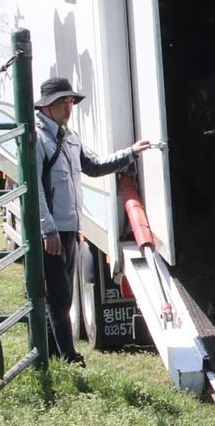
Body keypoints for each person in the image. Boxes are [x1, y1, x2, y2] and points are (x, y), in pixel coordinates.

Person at [35, 77, 151, 365]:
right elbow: (33, 187)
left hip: (70, 228)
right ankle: (70, 358)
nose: (69, 107)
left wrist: (130, 153)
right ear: (47, 105)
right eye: (64, 101)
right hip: (52, 231)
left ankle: (51, 355)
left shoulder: (69, 137)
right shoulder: (37, 139)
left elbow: (95, 166)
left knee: (61, 296)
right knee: (59, 297)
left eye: (71, 101)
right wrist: (46, 227)